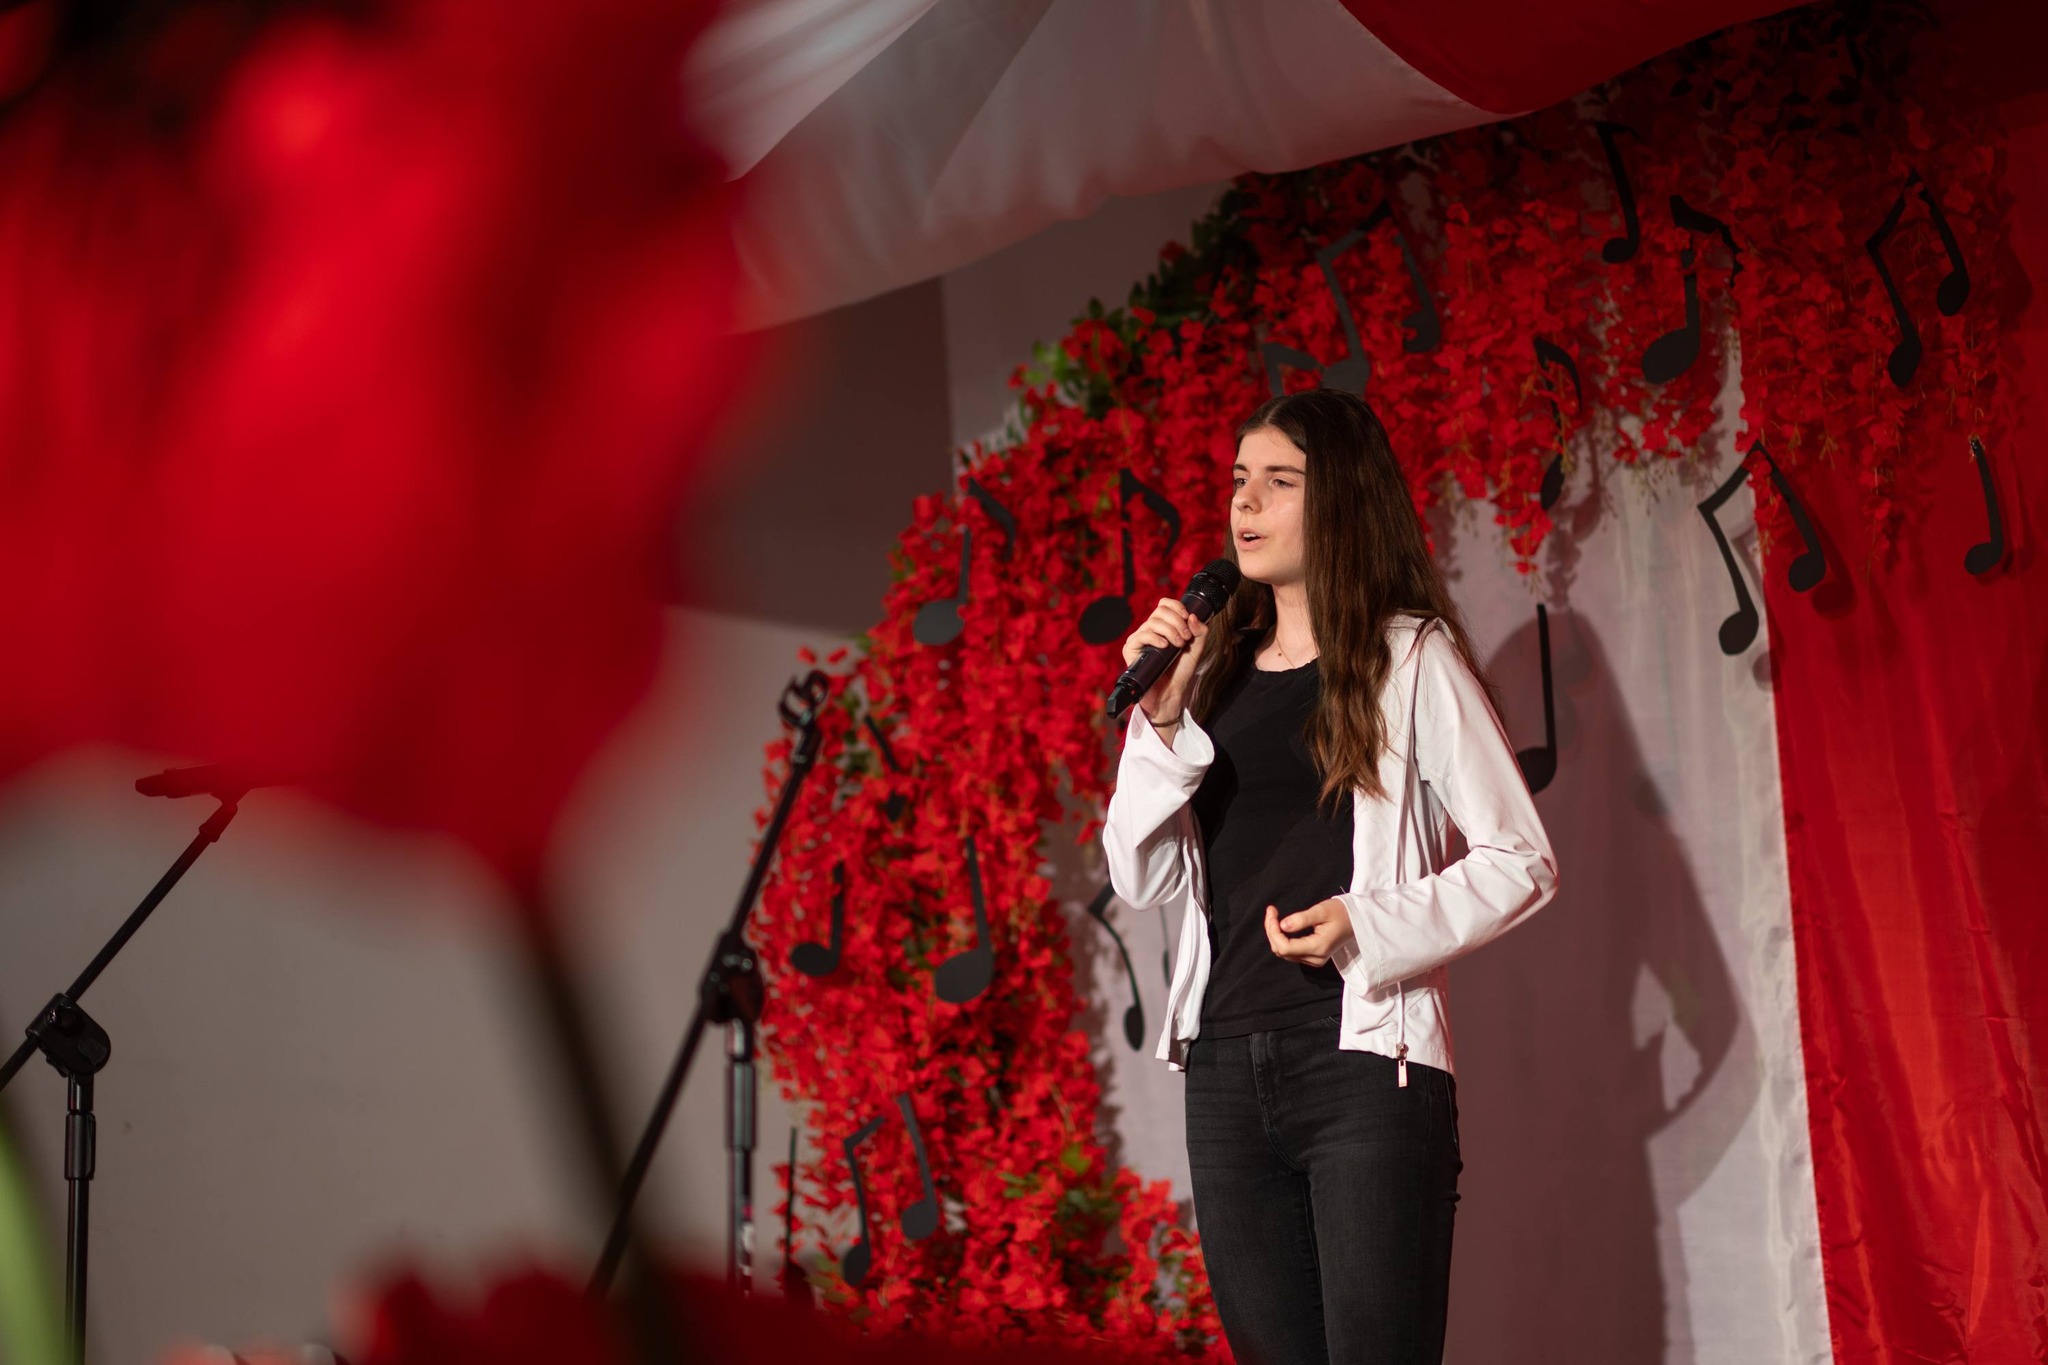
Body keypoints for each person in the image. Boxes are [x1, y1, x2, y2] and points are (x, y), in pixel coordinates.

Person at [1100, 388, 1558, 1364]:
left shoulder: (1407, 657)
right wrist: (1162, 719)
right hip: (1223, 1068)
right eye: (1238, 481)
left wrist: (1365, 922)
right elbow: (1138, 876)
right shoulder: (1210, 676)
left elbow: (1521, 859)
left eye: (1278, 482)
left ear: (1340, 498)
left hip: (1361, 1067)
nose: (1244, 503)